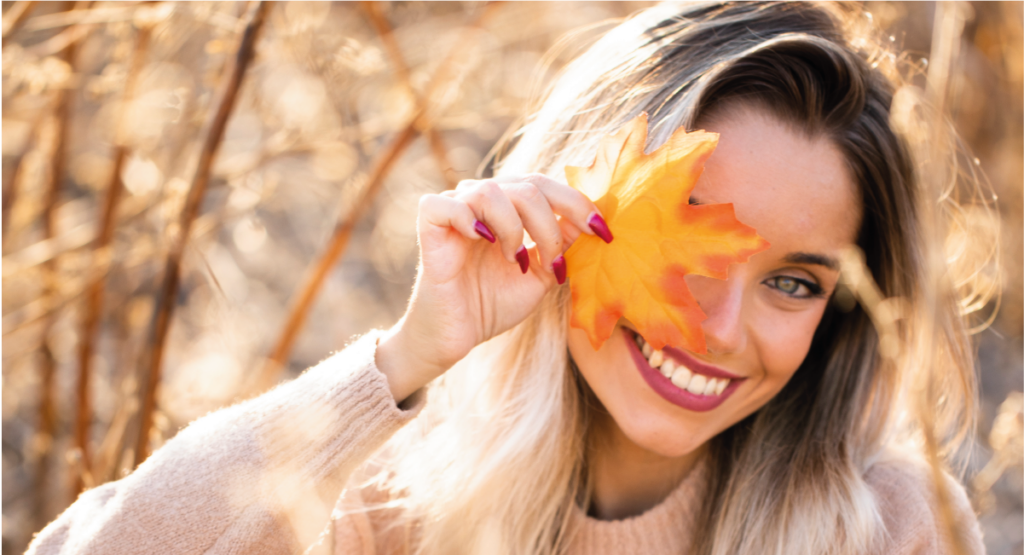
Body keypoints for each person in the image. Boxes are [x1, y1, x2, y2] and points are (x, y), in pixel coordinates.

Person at [27, 0, 992, 553]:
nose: (720, 324)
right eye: (689, 242)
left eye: (795, 283)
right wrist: (405, 358)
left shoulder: (887, 532)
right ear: (567, 200)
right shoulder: (391, 509)